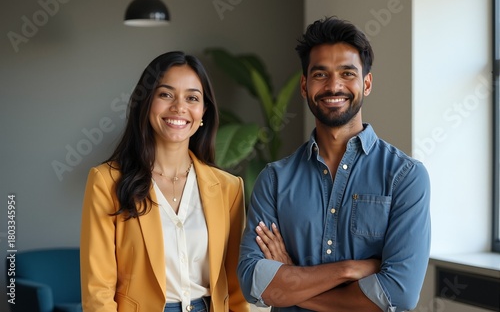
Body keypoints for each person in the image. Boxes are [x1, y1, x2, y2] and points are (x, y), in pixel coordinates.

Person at [237, 16, 431, 312]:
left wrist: (290, 281)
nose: (334, 85)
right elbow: (253, 283)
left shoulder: (405, 177)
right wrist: (350, 269)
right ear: (304, 86)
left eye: (347, 73)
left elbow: (398, 295)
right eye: (320, 74)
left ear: (366, 83)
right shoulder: (274, 179)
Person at [80, 51, 250, 312]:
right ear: (146, 102)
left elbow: (236, 286)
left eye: (192, 98)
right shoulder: (106, 182)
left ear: (203, 111)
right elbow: (98, 290)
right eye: (166, 94)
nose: (179, 107)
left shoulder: (228, 188)